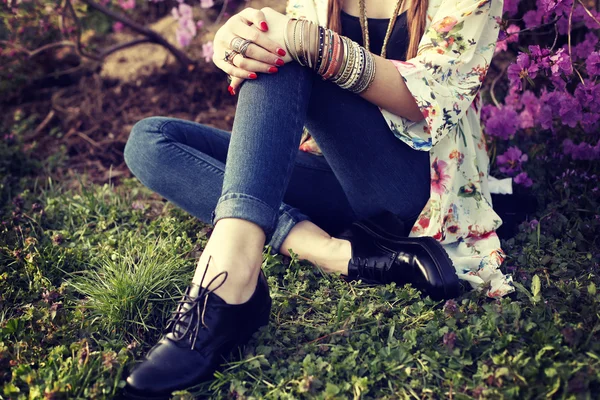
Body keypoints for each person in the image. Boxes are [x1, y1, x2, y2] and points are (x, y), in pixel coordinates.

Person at [122, 0, 514, 396]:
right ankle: (332, 252)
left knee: (287, 51)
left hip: (414, 184)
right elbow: (280, 70)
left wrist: (308, 43)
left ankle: (225, 286)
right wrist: (238, 44)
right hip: (333, 172)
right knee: (151, 141)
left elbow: (426, 99)